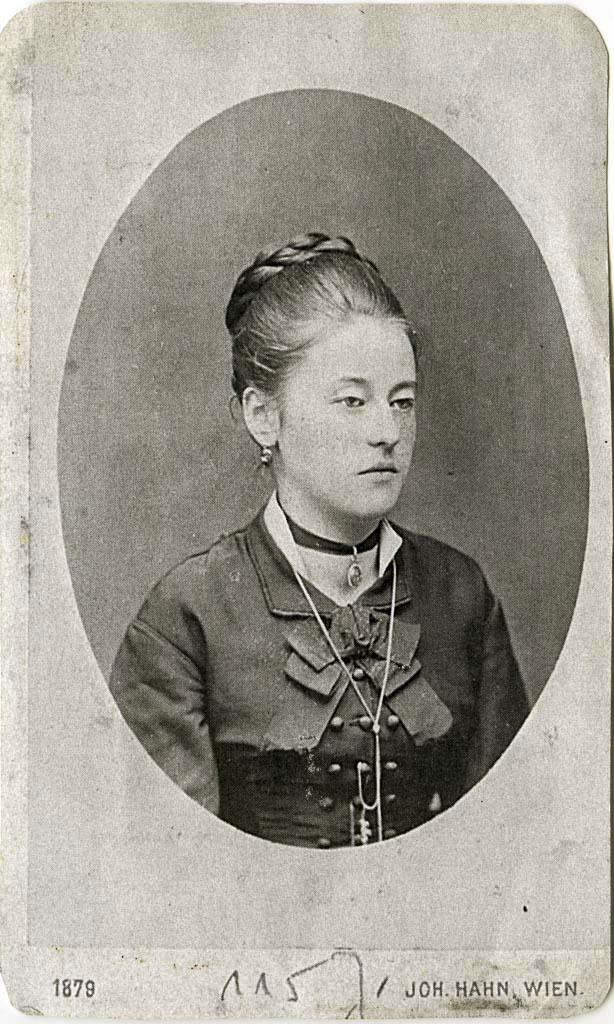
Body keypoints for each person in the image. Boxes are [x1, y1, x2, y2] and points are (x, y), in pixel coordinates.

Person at [110, 232, 529, 849]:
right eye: (352, 401)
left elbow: (514, 841)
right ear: (263, 416)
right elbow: (168, 865)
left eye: (402, 401)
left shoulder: (461, 593)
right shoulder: (185, 616)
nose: (387, 431)